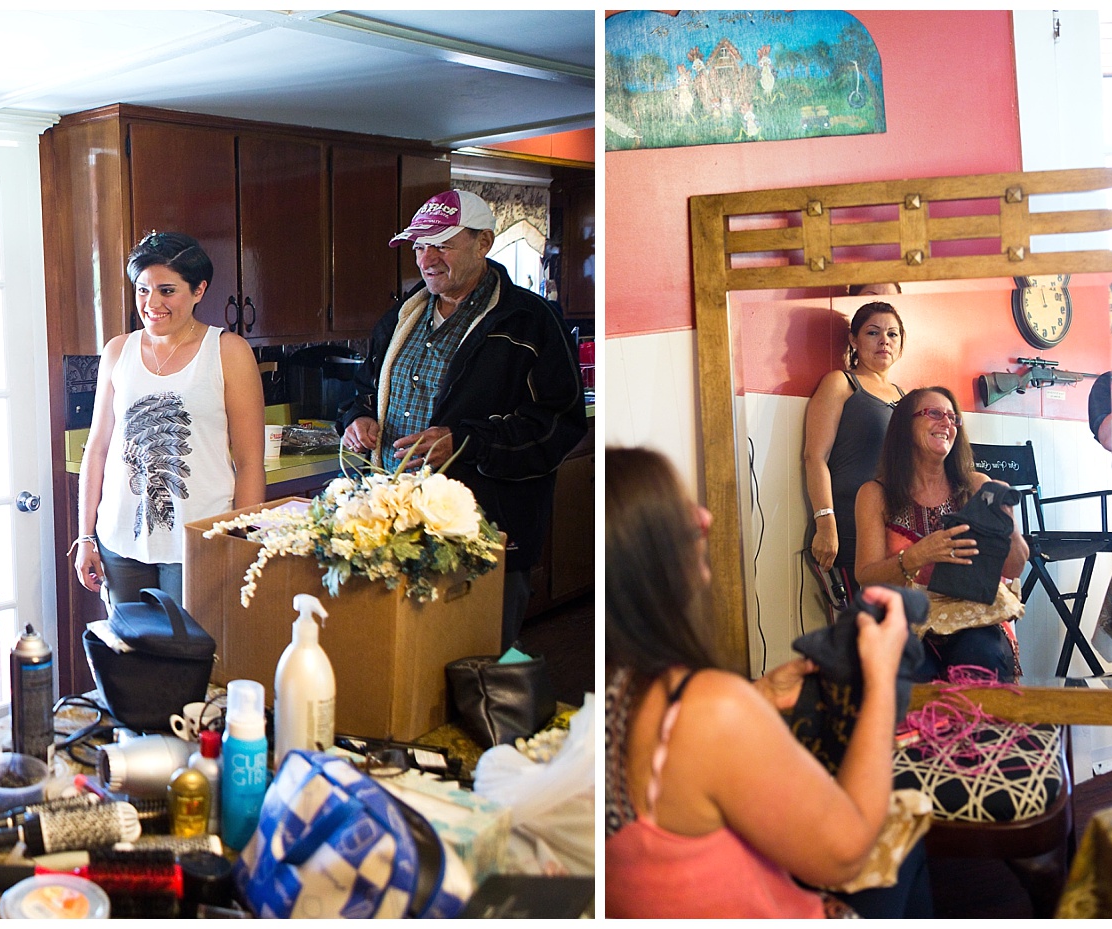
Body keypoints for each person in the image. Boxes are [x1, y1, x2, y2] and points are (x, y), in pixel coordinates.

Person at [604, 447, 908, 918]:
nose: (704, 516)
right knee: (909, 855)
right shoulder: (706, 710)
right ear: (642, 555)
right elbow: (846, 854)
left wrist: (753, 696)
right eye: (678, 510)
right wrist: (883, 676)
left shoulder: (614, 687)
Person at [338, 190, 588, 646]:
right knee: (395, 658)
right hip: (393, 524)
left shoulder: (532, 321)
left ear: (484, 243)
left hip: (482, 528)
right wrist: (358, 418)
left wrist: (467, 440)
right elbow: (363, 392)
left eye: (442, 244)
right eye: (418, 245)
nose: (426, 258)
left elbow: (559, 423)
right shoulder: (400, 316)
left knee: (481, 660)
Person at [73, 232, 266, 606]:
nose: (152, 304)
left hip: (200, 540)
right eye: (143, 290)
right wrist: (85, 536)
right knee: (129, 655)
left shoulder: (228, 352)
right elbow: (97, 449)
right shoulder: (118, 351)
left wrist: (242, 540)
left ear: (199, 290)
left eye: (166, 290)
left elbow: (248, 462)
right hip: (118, 542)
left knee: (189, 656)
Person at [852, 388, 1029, 678]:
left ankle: (982, 724)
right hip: (903, 619)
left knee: (980, 659)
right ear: (904, 427)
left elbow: (1014, 567)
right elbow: (866, 576)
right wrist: (916, 556)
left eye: (952, 417)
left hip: (974, 616)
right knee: (911, 671)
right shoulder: (875, 494)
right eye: (934, 414)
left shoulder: (977, 485)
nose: (946, 423)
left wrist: (1008, 526)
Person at [801, 301, 906, 598]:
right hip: (848, 527)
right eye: (873, 333)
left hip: (895, 531)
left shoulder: (906, 397)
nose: (884, 340)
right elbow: (815, 457)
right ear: (854, 340)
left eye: (893, 334)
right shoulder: (841, 383)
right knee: (862, 631)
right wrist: (825, 523)